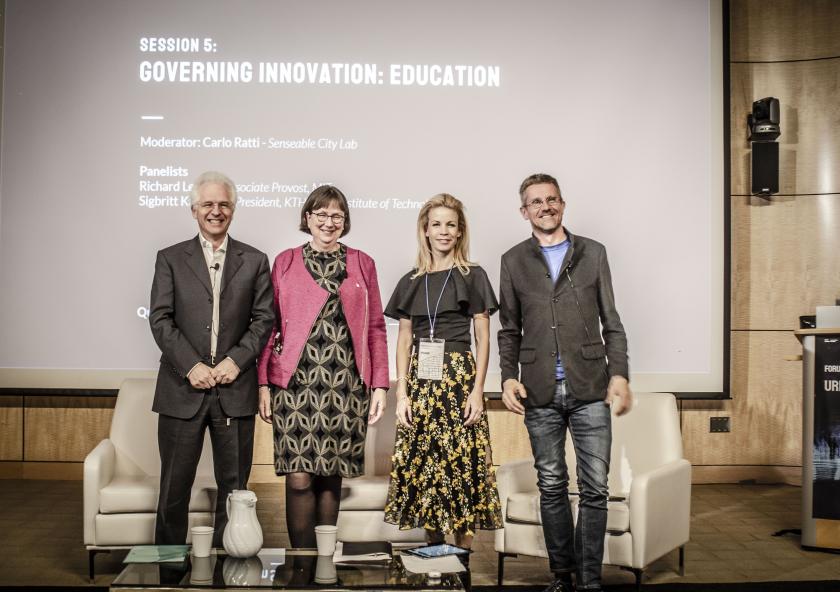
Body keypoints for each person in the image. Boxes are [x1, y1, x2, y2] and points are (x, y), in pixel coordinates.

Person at [498, 173, 632, 592]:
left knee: (595, 488)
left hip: (590, 386)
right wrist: (507, 377)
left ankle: (589, 580)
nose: (546, 207)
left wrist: (619, 373)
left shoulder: (593, 252)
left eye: (551, 199)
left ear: (563, 203)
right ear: (524, 211)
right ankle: (562, 575)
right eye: (536, 202)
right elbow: (509, 330)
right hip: (538, 389)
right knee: (552, 485)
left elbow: (612, 322)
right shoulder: (513, 260)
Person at [257, 185, 389, 548]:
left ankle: (324, 564)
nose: (329, 222)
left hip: (345, 385)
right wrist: (263, 383)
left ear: (345, 221)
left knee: (331, 477)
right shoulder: (285, 261)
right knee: (299, 478)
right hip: (294, 386)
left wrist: (379, 385)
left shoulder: (363, 262)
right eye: (321, 214)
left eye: (336, 216)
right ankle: (302, 563)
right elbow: (269, 325)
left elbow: (376, 327)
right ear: (307, 218)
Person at [149, 170, 274, 547]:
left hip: (234, 391)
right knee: (173, 490)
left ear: (233, 209)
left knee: (234, 492)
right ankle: (169, 572)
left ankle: (227, 566)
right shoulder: (170, 258)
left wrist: (236, 361)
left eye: (223, 204)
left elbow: (264, 319)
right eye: (207, 204)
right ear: (194, 210)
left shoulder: (255, 260)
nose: (215, 211)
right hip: (181, 391)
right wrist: (191, 365)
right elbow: (160, 319)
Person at [384, 193, 502, 552]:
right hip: (421, 382)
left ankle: (462, 561)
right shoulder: (410, 280)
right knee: (426, 468)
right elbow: (404, 340)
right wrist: (402, 394)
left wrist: (478, 391)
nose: (444, 231)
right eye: (436, 224)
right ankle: (434, 556)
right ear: (425, 230)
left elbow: (483, 338)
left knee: (461, 466)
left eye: (451, 224)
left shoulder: (473, 276)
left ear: (460, 230)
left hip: (459, 380)